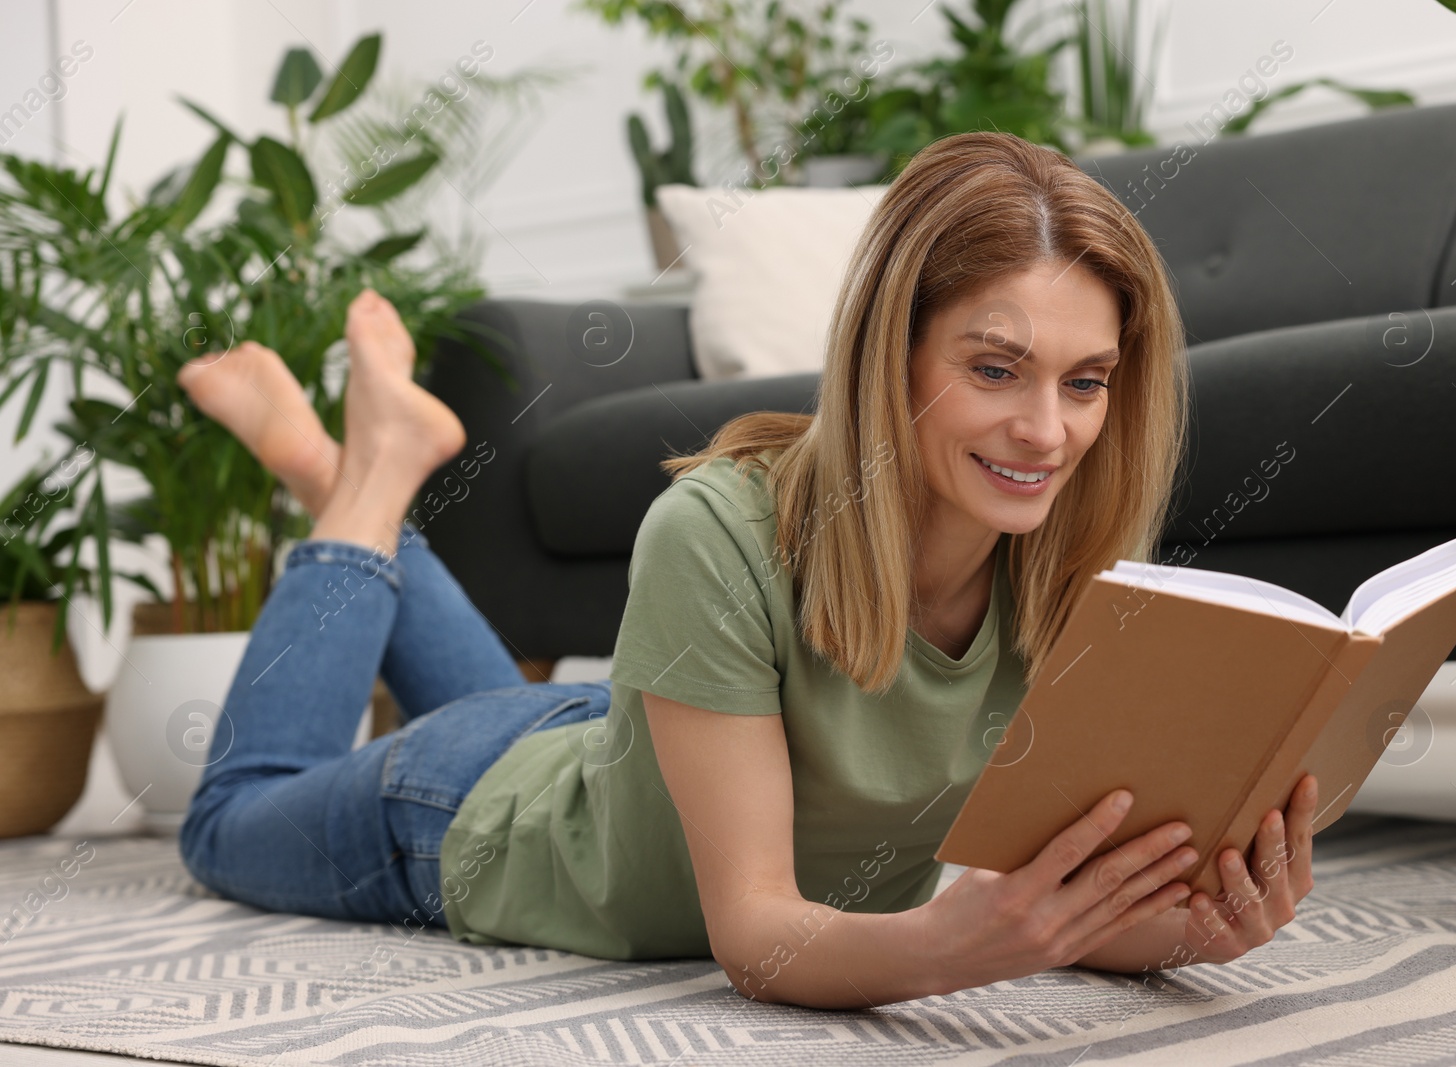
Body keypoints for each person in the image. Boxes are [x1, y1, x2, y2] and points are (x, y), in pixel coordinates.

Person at [177, 129, 1319, 1011]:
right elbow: (759, 933)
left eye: (1085, 381)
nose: (1045, 431)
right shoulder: (714, 533)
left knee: (523, 716)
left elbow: (1052, 902)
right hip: (472, 814)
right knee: (228, 819)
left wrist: (1190, 924)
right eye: (995, 368)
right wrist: (941, 945)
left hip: (644, 744)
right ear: (894, 353)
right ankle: (362, 482)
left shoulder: (1067, 565)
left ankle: (346, 465)